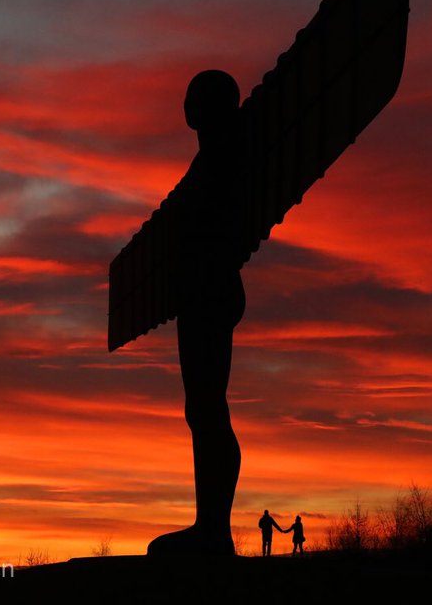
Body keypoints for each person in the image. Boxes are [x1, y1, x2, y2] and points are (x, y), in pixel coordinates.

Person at [146, 70, 246, 557]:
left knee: (208, 408)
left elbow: (215, 225)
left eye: (197, 98)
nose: (188, 107)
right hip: (199, 290)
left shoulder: (227, 155)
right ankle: (209, 525)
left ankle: (214, 531)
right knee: (201, 409)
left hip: (211, 287)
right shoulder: (207, 160)